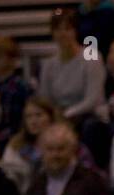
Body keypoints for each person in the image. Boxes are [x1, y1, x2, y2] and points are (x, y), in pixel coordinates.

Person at [40, 8, 110, 166]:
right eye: (58, 29)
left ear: (75, 31)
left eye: (67, 29)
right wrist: (56, 114)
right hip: (60, 115)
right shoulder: (49, 63)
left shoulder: (91, 55)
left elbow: (93, 98)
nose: (63, 34)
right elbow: (45, 98)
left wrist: (67, 114)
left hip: (89, 115)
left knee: (90, 127)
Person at [0, 96, 98, 195]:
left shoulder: (71, 145)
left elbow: (88, 176)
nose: (33, 121)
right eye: (28, 116)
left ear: (51, 117)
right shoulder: (15, 146)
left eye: (38, 115)